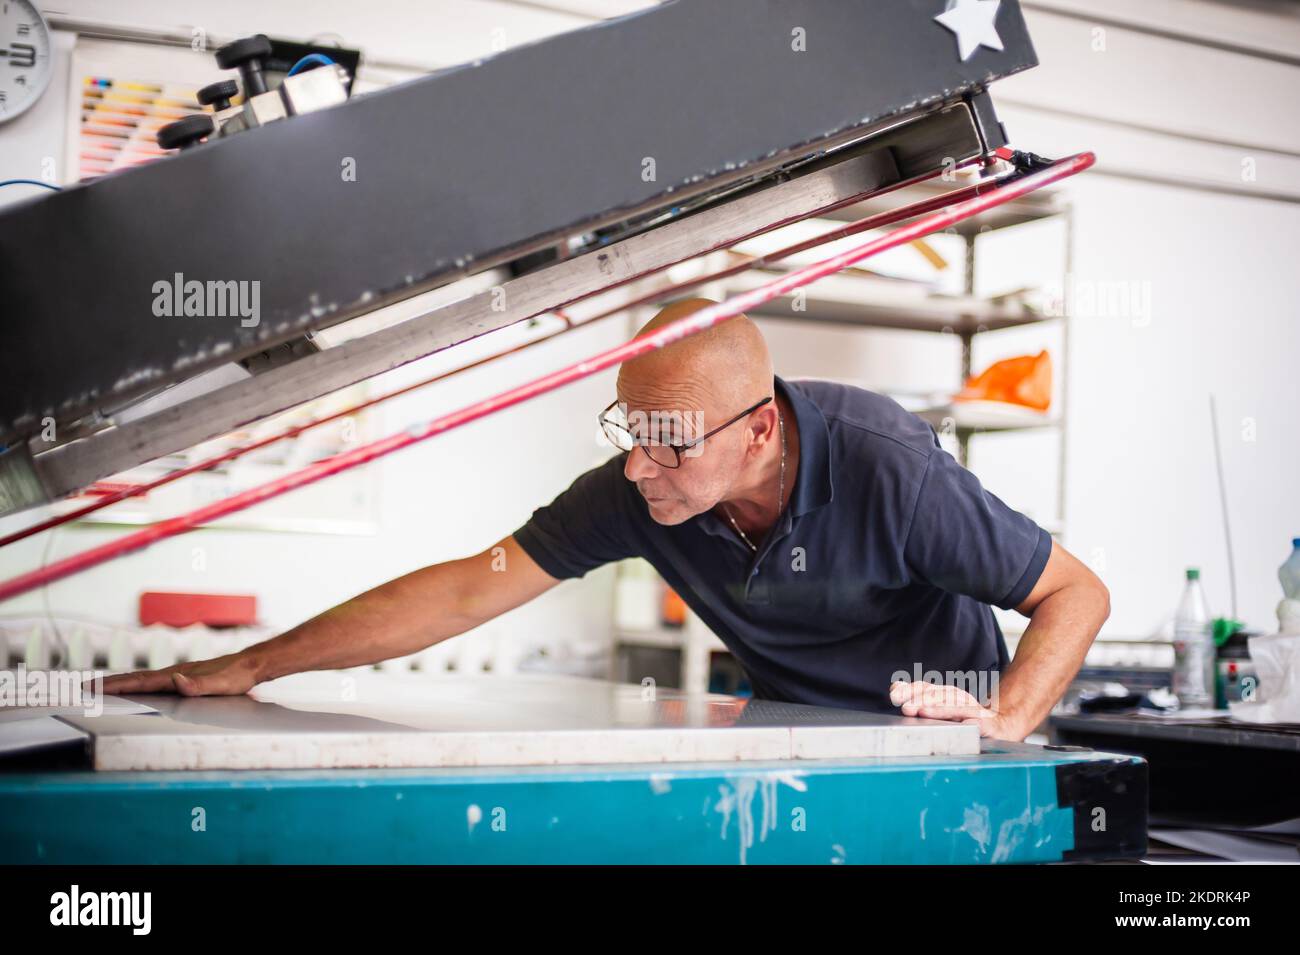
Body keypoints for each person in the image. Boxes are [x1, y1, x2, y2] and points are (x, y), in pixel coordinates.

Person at [100, 298, 1109, 740]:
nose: (638, 463)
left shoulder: (891, 469)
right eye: (629, 430)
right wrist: (246, 665)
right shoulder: (642, 488)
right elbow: (464, 588)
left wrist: (1007, 718)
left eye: (668, 439)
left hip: (943, 741)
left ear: (759, 430)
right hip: (797, 741)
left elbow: (1074, 590)